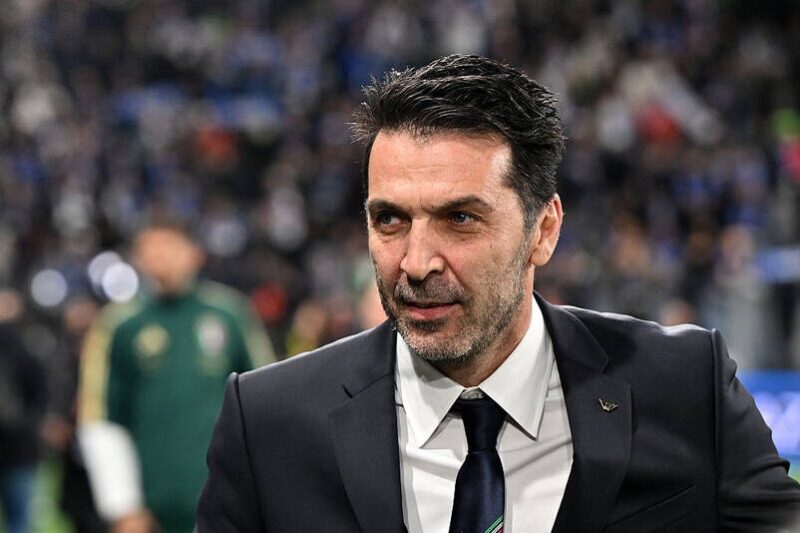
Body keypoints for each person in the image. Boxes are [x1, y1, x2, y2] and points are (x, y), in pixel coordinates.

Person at [196, 55, 800, 532]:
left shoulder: (684, 385)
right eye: (390, 219)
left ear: (544, 230)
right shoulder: (268, 423)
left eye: (460, 219)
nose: (416, 263)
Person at [78, 221, 276, 533]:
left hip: (228, 499)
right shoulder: (119, 324)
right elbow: (100, 418)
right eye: (149, 247)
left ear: (194, 253)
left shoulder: (230, 313)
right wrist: (123, 505)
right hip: (150, 506)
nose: (159, 256)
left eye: (168, 245)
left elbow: (265, 401)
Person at [0, 289, 47, 533]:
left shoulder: (27, 352)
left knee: (19, 520)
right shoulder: (29, 350)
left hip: (19, 449)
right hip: (21, 449)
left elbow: (40, 396)